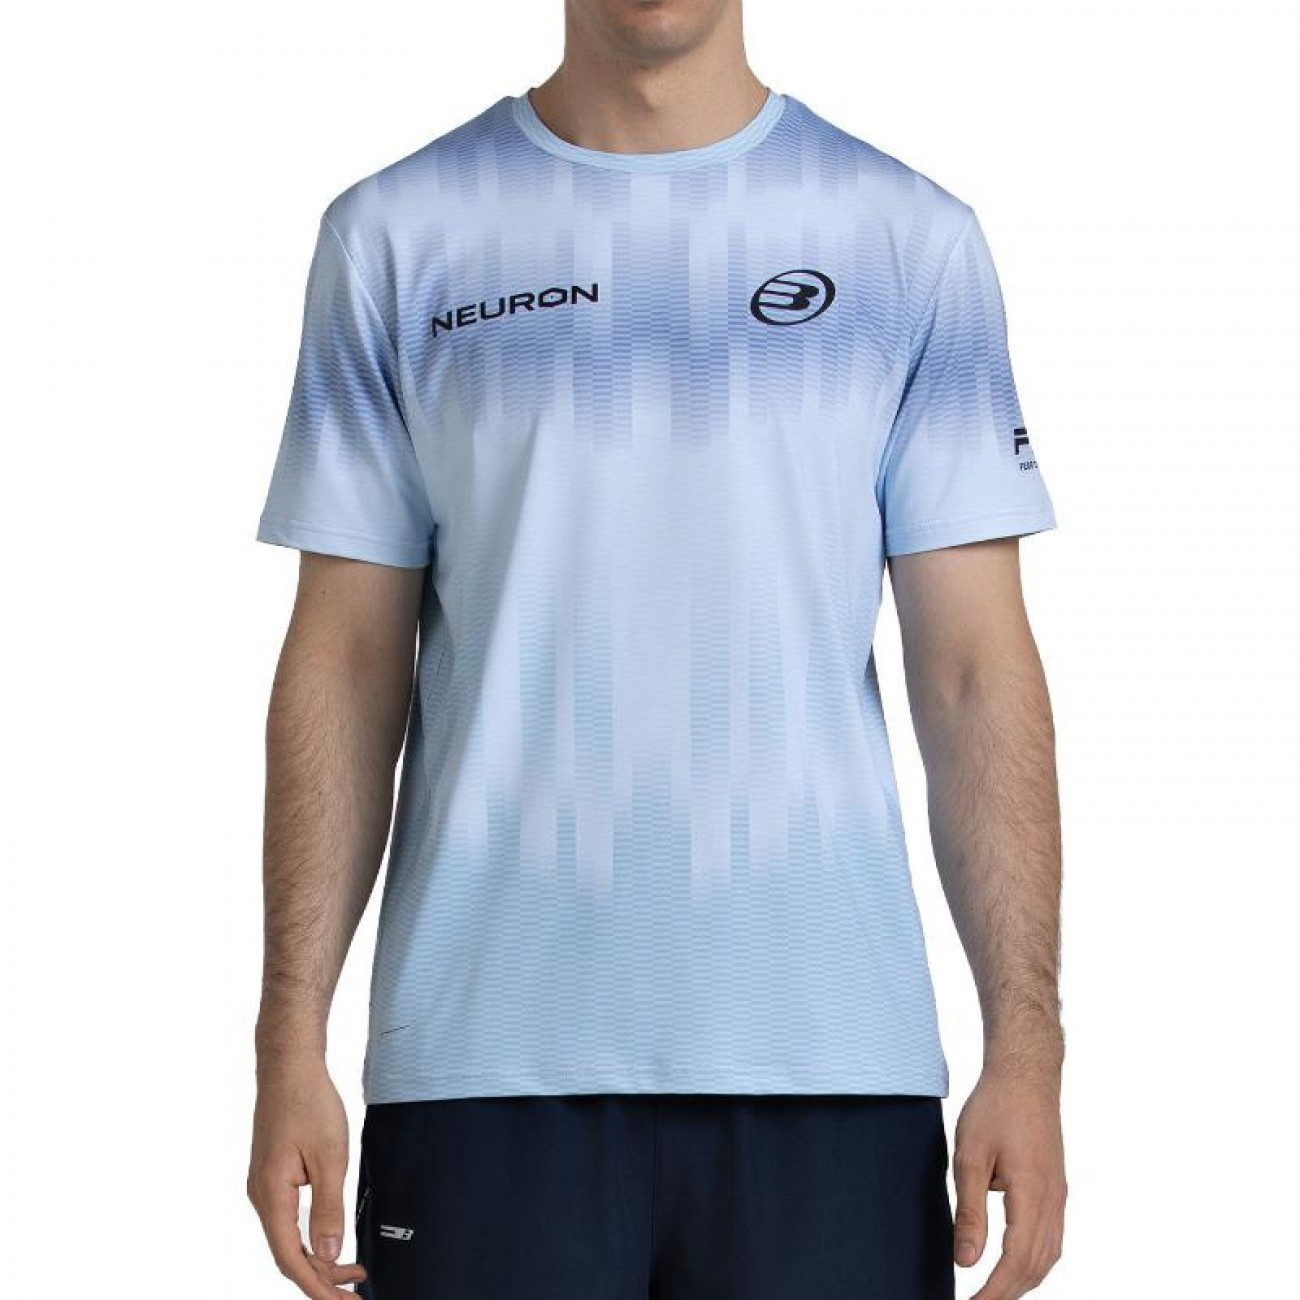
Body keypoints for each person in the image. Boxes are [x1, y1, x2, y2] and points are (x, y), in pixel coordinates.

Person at [245, 2, 1068, 1297]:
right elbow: (346, 662)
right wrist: (287, 1035)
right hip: (481, 1068)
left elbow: (974, 674)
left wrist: (1028, 1046)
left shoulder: (907, 242)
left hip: (832, 1070)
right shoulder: (399, 237)